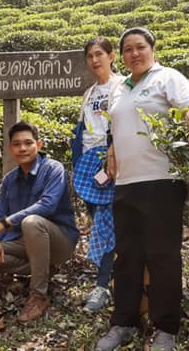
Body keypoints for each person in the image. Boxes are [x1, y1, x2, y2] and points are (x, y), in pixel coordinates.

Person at [95, 27, 189, 351]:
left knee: (163, 257)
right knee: (127, 258)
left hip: (162, 181)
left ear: (152, 49)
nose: (134, 53)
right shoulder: (119, 88)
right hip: (127, 185)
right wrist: (112, 153)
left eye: (140, 47)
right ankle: (123, 322)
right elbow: (116, 129)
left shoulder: (167, 77)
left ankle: (166, 328)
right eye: (128, 49)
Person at [0, 121, 80, 323]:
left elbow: (47, 205)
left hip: (59, 240)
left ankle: (38, 295)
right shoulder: (10, 180)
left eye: (28, 143)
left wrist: (5, 223)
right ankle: (43, 267)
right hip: (26, 243)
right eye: (17, 144)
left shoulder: (53, 168)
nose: (22, 148)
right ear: (10, 148)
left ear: (39, 145)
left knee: (31, 222)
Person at [73, 37, 125, 313]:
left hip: (112, 162)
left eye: (99, 54)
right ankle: (112, 278)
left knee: (109, 225)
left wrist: (113, 155)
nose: (94, 60)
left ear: (111, 56)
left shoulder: (123, 86)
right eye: (90, 56)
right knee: (102, 225)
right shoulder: (90, 92)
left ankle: (103, 284)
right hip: (88, 168)